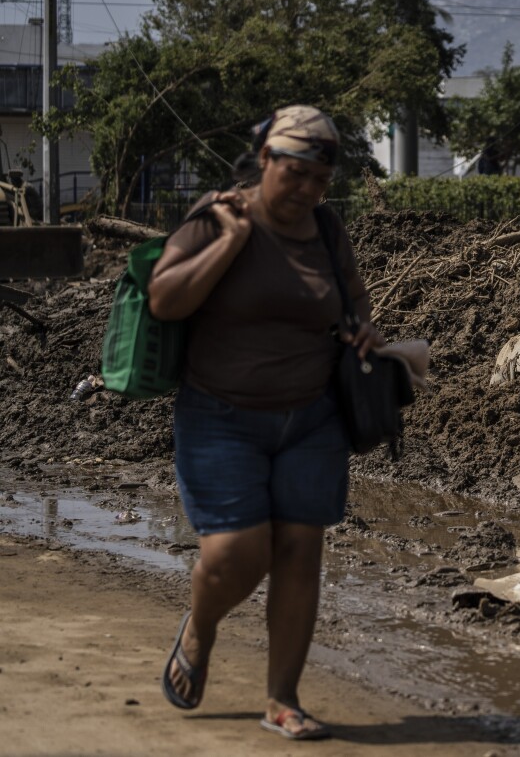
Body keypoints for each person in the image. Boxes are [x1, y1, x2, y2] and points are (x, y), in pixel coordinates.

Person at [147, 105, 382, 740]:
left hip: (312, 418)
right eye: (295, 173)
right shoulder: (219, 214)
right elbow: (164, 299)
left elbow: (352, 296)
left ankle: (282, 700)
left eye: (319, 179)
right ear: (266, 161)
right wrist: (229, 243)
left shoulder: (328, 229)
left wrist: (363, 329)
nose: (306, 189)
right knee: (235, 556)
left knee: (302, 552)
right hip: (219, 415)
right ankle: (201, 627)